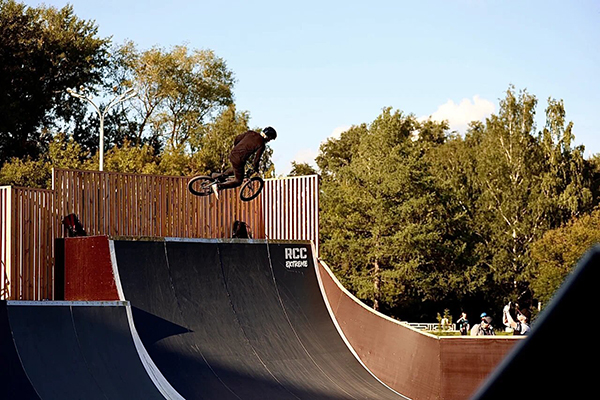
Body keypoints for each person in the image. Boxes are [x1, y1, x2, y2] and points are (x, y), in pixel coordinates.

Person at [211, 127, 277, 198]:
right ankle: (219, 186)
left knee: (236, 169)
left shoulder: (250, 133)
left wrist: (239, 148)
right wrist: (255, 168)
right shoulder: (261, 145)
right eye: (270, 139)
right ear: (267, 136)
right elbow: (257, 159)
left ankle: (216, 176)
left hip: (233, 154)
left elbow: (237, 139)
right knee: (238, 181)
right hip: (239, 159)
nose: (269, 141)